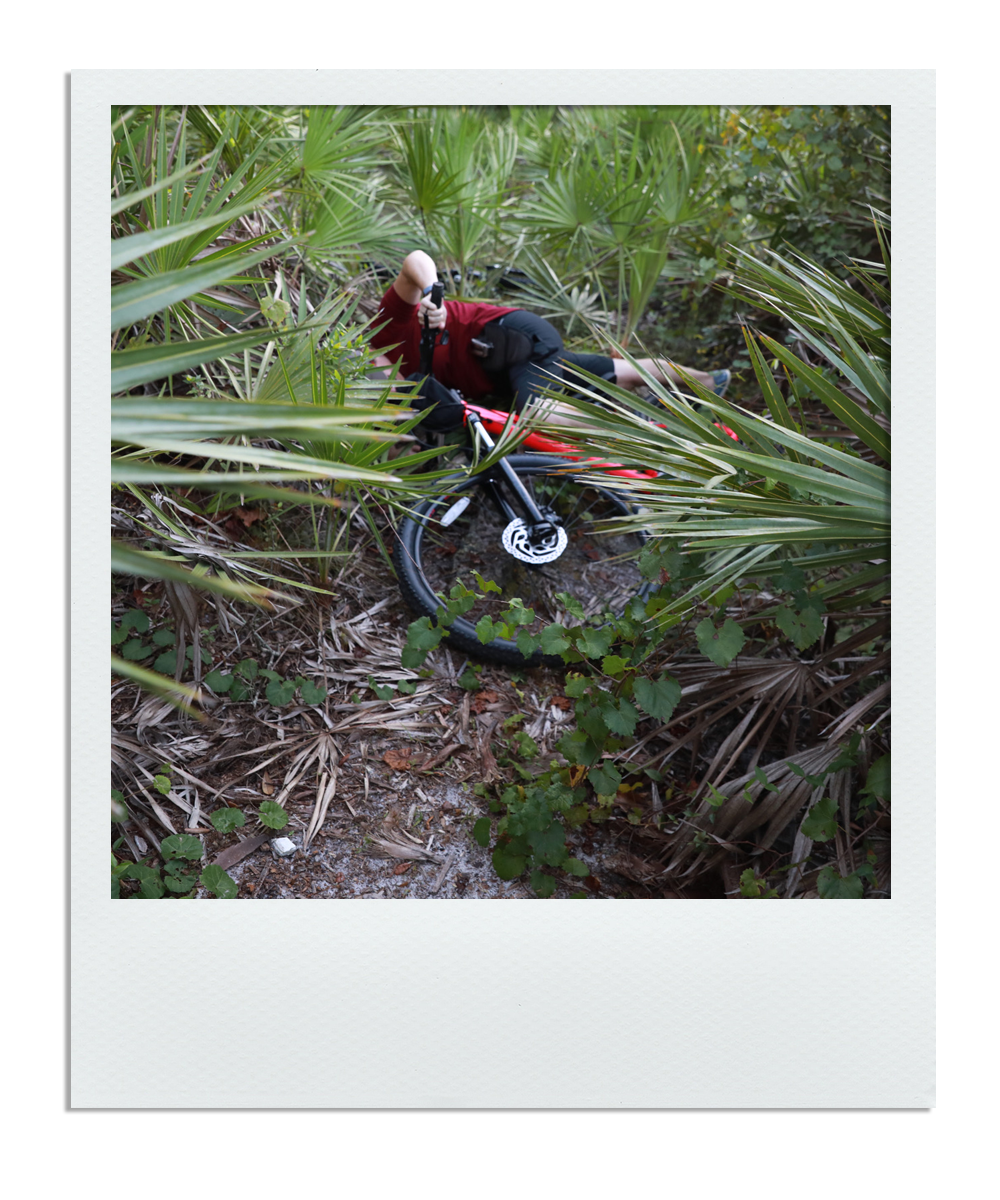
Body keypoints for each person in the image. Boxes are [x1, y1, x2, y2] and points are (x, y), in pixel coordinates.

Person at [368, 250, 731, 431]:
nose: (391, 389)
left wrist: (434, 293)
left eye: (381, 381)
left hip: (515, 338)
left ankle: (636, 427)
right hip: (519, 370)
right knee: (619, 372)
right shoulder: (403, 392)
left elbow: (414, 260)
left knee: (536, 412)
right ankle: (710, 381)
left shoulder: (386, 327)